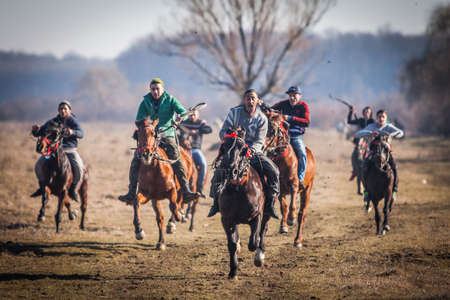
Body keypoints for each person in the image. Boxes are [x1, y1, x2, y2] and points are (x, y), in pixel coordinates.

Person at [118, 78, 200, 204]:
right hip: (151, 136)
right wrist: (146, 126)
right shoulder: (145, 102)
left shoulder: (171, 99)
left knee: (176, 158)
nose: (155, 91)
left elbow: (183, 112)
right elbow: (138, 120)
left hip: (167, 134)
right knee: (135, 160)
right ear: (150, 90)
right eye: (153, 89)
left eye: (157, 89)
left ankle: (186, 191)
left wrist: (180, 118)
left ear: (162, 89)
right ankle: (131, 192)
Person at [207, 89, 280, 219]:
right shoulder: (234, 113)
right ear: (244, 100)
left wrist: (250, 150)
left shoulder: (262, 118)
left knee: (274, 170)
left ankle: (269, 204)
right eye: (248, 98)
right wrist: (232, 137)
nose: (250, 101)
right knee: (219, 171)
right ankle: (215, 203)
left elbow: (260, 140)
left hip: (253, 152)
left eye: (253, 98)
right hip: (234, 149)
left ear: (257, 101)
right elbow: (223, 131)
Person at [31, 100, 84, 202]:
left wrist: (72, 131)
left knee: (79, 168)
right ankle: (42, 187)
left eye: (65, 108)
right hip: (53, 151)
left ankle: (73, 190)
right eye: (61, 109)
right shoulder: (53, 121)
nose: (63, 110)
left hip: (69, 150)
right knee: (38, 165)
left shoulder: (73, 121)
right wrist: (35, 131)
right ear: (58, 110)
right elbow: (40, 132)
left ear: (69, 110)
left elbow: (81, 134)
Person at [354, 109, 404, 201]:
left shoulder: (389, 127)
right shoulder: (371, 126)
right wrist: (369, 133)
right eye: (379, 117)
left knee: (394, 167)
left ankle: (394, 191)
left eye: (383, 117)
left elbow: (401, 133)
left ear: (386, 118)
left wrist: (391, 134)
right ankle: (366, 191)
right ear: (376, 118)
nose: (381, 119)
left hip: (386, 154)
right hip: (373, 153)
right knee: (364, 167)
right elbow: (357, 134)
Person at [271, 86, 310, 189]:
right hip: (283, 136)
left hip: (296, 136)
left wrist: (291, 118)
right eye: (290, 95)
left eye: (294, 95)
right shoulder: (282, 104)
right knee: (270, 152)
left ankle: (300, 180)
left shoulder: (303, 106)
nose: (292, 98)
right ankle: (270, 179)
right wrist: (262, 105)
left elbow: (306, 122)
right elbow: (270, 109)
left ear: (300, 96)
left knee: (302, 154)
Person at [180, 110, 212, 197]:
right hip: (183, 150)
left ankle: (199, 187)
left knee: (203, 164)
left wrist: (198, 131)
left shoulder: (200, 123)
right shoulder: (183, 123)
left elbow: (209, 129)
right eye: (190, 115)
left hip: (195, 150)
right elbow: (176, 128)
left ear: (198, 115)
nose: (192, 116)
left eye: (194, 115)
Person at [347, 106, 374, 180]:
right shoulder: (360, 120)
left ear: (370, 113)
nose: (366, 113)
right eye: (365, 112)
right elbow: (349, 121)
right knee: (354, 156)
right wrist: (350, 112)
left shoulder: (373, 122)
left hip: (370, 143)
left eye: (368, 112)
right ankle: (355, 171)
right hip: (360, 144)